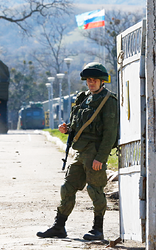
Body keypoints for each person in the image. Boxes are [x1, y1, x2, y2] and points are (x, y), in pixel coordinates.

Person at [37, 62, 119, 241]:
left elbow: (110, 133)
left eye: (94, 80)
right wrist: (67, 129)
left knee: (95, 190)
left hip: (95, 153)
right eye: (89, 80)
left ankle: (98, 229)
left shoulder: (108, 101)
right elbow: (78, 123)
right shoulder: (84, 98)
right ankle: (59, 226)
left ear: (102, 81)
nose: (91, 83)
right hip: (80, 152)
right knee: (67, 188)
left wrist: (101, 157)